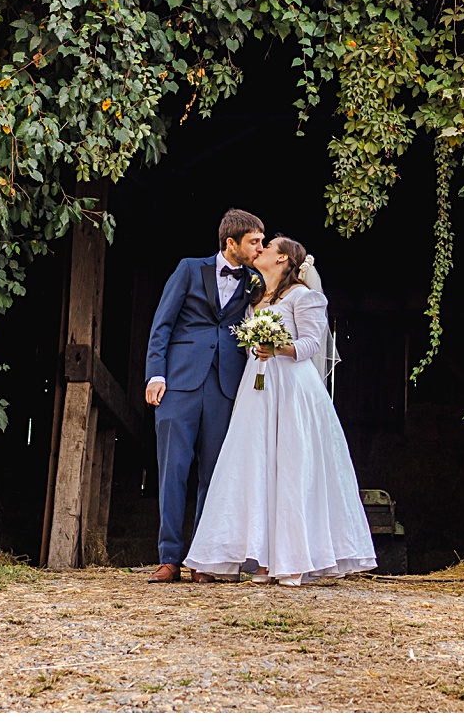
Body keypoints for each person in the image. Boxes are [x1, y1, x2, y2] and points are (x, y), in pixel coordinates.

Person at [184, 236, 378, 585]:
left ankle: (293, 559)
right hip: (257, 389)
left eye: (268, 246)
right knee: (256, 466)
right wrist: (256, 350)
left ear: (284, 258)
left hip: (292, 388)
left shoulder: (304, 296)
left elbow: (311, 344)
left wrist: (277, 348)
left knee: (290, 466)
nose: (261, 251)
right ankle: (261, 560)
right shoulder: (255, 299)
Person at [142, 209, 266, 584]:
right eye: (254, 241)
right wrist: (155, 373)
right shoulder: (188, 269)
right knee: (173, 470)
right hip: (178, 382)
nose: (260, 247)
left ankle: (204, 560)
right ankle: (168, 558)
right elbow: (161, 323)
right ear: (231, 243)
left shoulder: (255, 283)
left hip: (226, 386)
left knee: (215, 475)